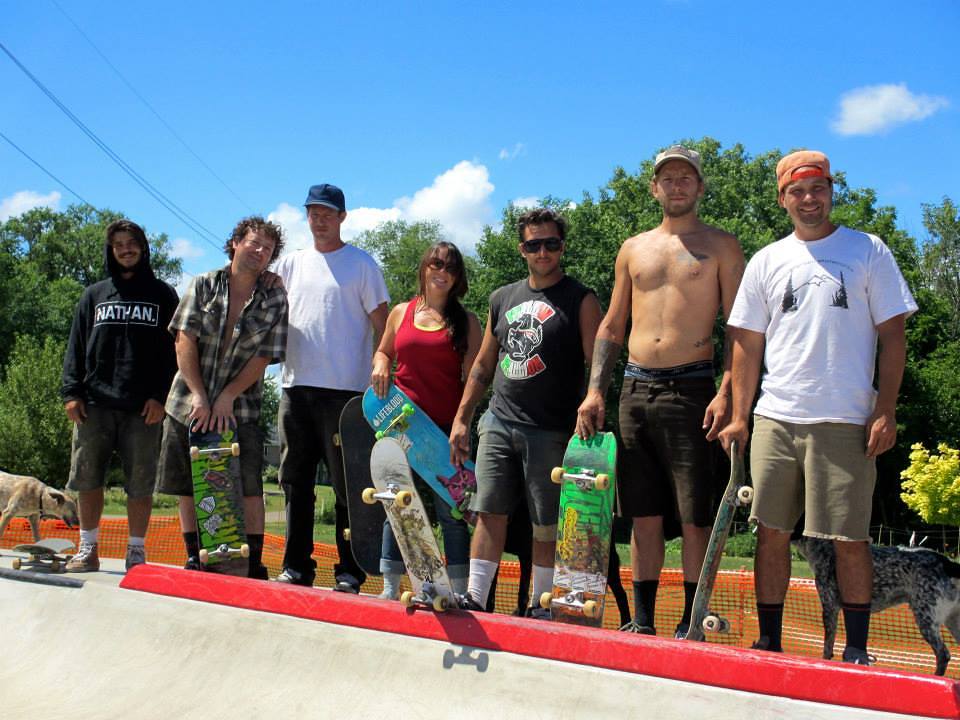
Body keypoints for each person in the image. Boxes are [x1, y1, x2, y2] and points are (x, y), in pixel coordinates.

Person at [718, 150, 916, 664]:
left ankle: (855, 649)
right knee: (771, 532)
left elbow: (893, 336)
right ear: (783, 198)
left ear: (831, 191)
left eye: (818, 189)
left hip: (846, 418)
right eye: (797, 191)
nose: (809, 200)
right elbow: (746, 344)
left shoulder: (868, 250)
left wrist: (885, 409)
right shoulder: (766, 260)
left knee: (849, 537)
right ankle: (770, 640)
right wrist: (741, 415)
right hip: (777, 416)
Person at [577, 145, 745, 637]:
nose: (676, 185)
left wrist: (728, 392)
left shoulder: (722, 246)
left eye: (685, 178)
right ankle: (643, 618)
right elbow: (611, 325)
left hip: (693, 388)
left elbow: (739, 328)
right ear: (654, 187)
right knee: (642, 515)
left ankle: (691, 620)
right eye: (667, 178)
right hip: (634, 388)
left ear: (699, 186)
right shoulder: (633, 248)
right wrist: (595, 391)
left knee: (694, 516)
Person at [450, 207, 603, 614]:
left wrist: (594, 401)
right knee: (488, 510)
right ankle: (476, 597)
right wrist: (463, 417)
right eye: (534, 244)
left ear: (562, 247)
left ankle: (542, 602)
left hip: (551, 428)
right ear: (522, 249)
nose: (543, 252)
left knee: (546, 522)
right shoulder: (503, 297)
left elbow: (597, 361)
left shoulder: (581, 299)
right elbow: (483, 364)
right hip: (499, 421)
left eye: (551, 243)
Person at [156, 216, 288, 580]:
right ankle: (193, 556)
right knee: (188, 483)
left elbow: (264, 356)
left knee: (248, 486)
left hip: (241, 406)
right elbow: (184, 340)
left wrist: (228, 395)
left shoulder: (274, 295)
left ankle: (252, 562)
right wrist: (200, 395)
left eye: (268, 248)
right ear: (235, 243)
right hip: (187, 402)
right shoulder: (203, 284)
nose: (259, 251)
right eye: (254, 243)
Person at [274, 184, 389, 591]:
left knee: (348, 485)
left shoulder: (361, 265)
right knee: (295, 481)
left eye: (327, 213)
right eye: (312, 212)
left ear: (342, 217)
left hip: (346, 394)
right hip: (295, 388)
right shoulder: (289, 264)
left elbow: (384, 324)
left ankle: (350, 572)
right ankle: (296, 567)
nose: (319, 219)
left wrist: (383, 362)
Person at [61, 219, 179, 572]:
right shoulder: (93, 295)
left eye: (132, 243)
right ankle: (88, 549)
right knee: (87, 479)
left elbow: (175, 353)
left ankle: (137, 552)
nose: (126, 249)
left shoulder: (162, 295)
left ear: (143, 248)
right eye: (119, 245)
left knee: (140, 483)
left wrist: (161, 396)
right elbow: (76, 346)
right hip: (94, 403)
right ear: (111, 251)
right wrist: (71, 391)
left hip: (143, 408)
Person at [370, 241, 482, 599]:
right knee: (397, 503)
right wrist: (382, 363)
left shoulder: (468, 323)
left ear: (458, 278)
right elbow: (383, 350)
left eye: (450, 268)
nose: (442, 272)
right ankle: (390, 588)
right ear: (424, 267)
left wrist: (463, 424)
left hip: (445, 434)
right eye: (436, 263)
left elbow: (477, 379)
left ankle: (460, 592)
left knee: (453, 513)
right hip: (400, 427)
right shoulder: (401, 312)